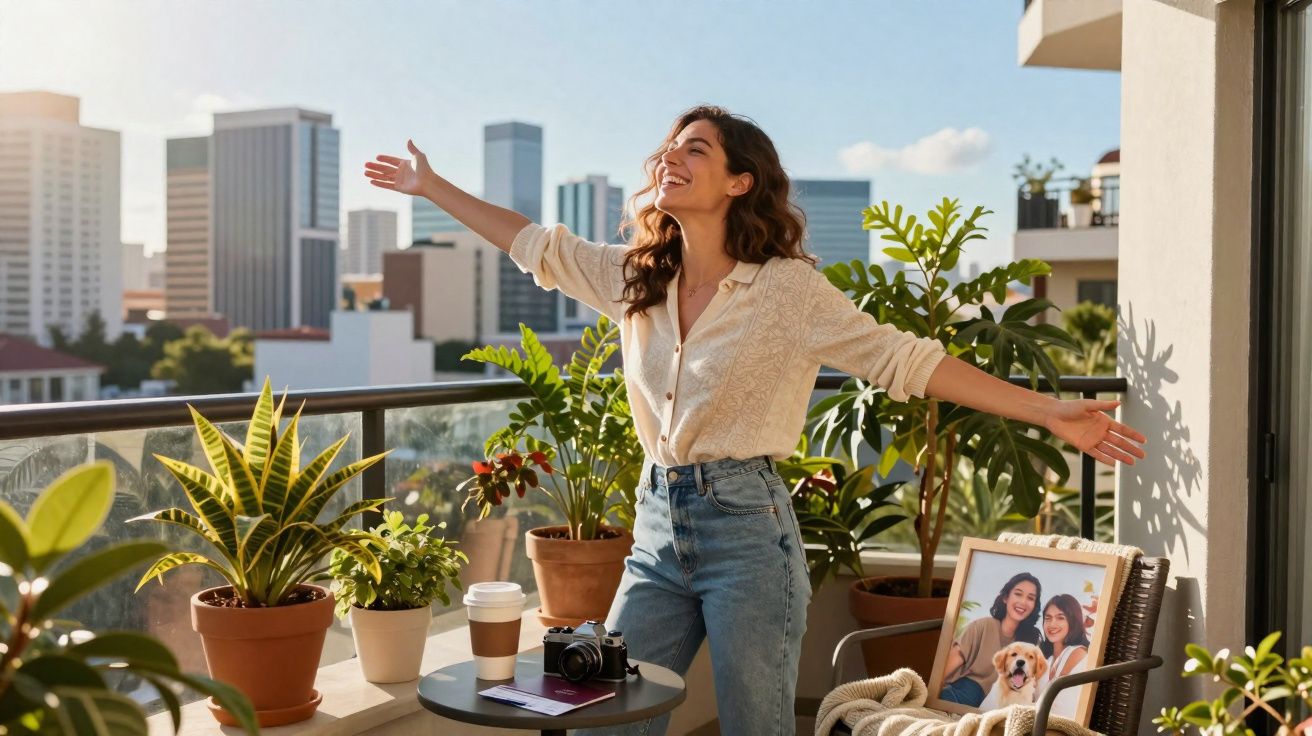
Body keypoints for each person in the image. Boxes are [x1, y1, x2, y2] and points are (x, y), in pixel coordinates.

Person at [364, 105, 1147, 736]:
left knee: (754, 725)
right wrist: (433, 187)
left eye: (695, 149)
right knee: (602, 712)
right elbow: (534, 243)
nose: (671, 156)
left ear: (740, 181)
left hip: (749, 533)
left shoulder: (786, 291)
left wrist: (1049, 411)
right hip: (655, 531)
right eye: (669, 146)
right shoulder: (638, 278)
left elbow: (905, 360)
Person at [939, 573, 1043, 707]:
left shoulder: (1031, 643)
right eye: (1018, 594)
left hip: (1002, 705)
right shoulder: (983, 626)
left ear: (1034, 606)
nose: (1023, 602)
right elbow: (947, 667)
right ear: (1005, 598)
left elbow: (1034, 684)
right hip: (963, 695)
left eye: (1030, 598)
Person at [1036, 594, 1092, 717]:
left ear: (1072, 622)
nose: (1052, 624)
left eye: (1060, 618)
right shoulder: (1048, 660)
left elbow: (1054, 698)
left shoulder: (1077, 652)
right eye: (1048, 618)